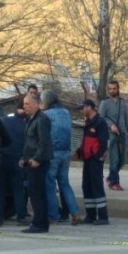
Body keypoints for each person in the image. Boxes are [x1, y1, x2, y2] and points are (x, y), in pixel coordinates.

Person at [41, 90, 82, 225]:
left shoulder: (46, 115)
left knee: (50, 184)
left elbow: (44, 134)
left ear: (46, 101)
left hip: (53, 152)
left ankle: (53, 215)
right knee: (64, 183)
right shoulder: (65, 112)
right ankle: (75, 212)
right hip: (66, 152)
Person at [20, 93, 52, 233]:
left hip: (38, 162)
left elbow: (43, 142)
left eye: (27, 104)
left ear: (35, 104)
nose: (24, 107)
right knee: (36, 191)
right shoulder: (32, 119)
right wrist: (24, 159)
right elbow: (29, 142)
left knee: (36, 192)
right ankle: (41, 222)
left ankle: (39, 223)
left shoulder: (42, 119)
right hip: (31, 160)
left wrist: (37, 159)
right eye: (24, 104)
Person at [75, 99, 109, 225]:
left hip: (95, 160)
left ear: (90, 107)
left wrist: (98, 157)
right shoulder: (88, 122)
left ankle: (103, 216)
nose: (82, 110)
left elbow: (103, 143)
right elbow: (85, 141)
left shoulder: (100, 122)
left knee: (97, 187)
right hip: (87, 160)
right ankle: (90, 215)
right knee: (87, 186)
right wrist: (79, 152)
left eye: (83, 108)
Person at [0, 103, 29, 226]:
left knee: (1, 190)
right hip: (18, 161)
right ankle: (21, 217)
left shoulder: (4, 121)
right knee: (18, 190)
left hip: (3, 159)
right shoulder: (26, 126)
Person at [99, 80, 128, 191]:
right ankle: (114, 182)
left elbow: (125, 117)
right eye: (110, 89)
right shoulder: (105, 102)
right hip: (110, 133)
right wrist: (110, 125)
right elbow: (101, 117)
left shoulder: (122, 102)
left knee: (122, 160)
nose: (112, 90)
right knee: (114, 159)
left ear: (118, 89)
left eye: (114, 88)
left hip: (122, 133)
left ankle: (111, 176)